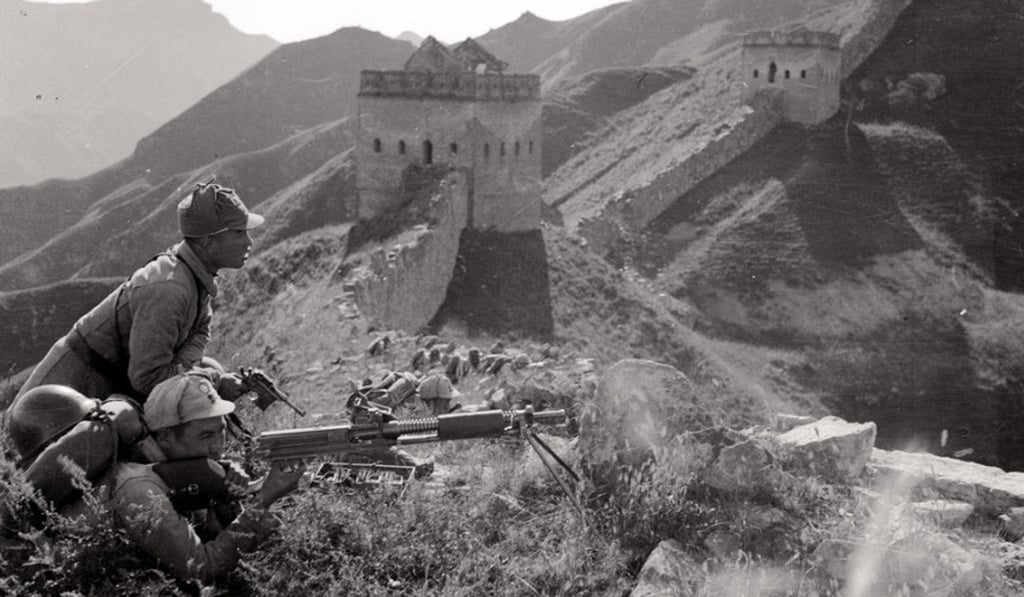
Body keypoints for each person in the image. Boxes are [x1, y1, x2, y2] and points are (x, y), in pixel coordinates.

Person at [12, 179, 261, 405]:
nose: (249, 242)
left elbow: (200, 331)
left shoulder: (194, 277)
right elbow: (146, 379)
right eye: (239, 233)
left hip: (106, 383)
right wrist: (214, 381)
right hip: (67, 392)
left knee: (206, 370)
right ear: (207, 241)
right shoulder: (170, 288)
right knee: (193, 390)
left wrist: (193, 370)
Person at [105, 372, 304, 583]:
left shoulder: (185, 468)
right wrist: (263, 501)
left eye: (221, 431)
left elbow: (214, 532)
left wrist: (235, 491)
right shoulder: (140, 489)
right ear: (165, 437)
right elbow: (202, 570)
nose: (219, 447)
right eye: (206, 436)